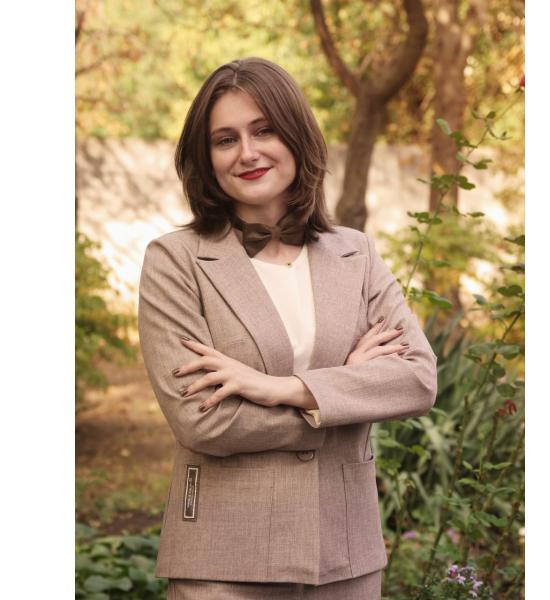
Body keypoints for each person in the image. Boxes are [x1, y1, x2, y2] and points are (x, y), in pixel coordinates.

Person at [138, 56, 437, 600]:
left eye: (264, 130)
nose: (247, 152)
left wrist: (282, 389)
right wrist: (344, 396)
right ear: (206, 158)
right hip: (224, 559)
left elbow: (416, 378)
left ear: (297, 136)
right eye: (225, 140)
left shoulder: (355, 253)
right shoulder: (175, 261)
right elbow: (203, 421)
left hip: (346, 554)